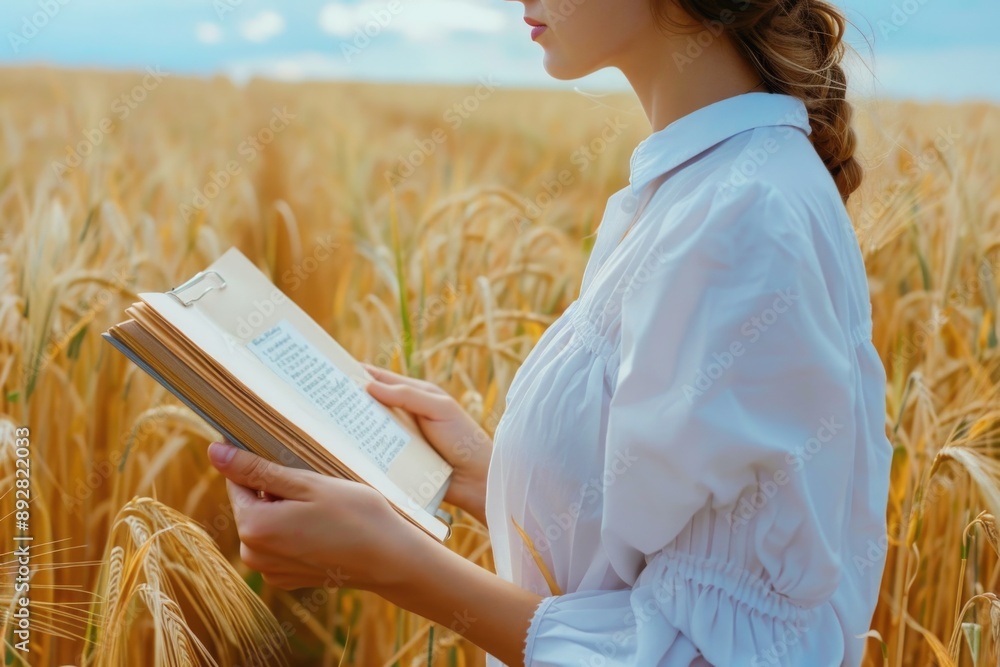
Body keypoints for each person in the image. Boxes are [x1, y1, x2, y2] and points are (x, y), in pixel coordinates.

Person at [207, 0, 892, 665]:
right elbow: (652, 532)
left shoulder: (743, 217)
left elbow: (721, 654)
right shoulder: (707, 186)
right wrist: (482, 472)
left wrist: (397, 564)